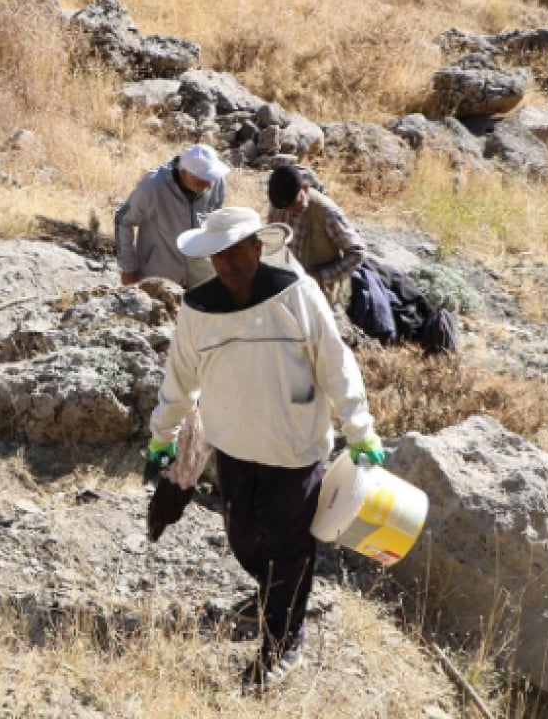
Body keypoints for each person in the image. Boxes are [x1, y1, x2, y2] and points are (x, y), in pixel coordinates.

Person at [142, 206, 386, 690]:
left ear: (258, 246)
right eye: (219, 255)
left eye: (237, 250)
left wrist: (361, 430)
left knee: (288, 550)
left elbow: (336, 364)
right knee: (244, 539)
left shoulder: (299, 295)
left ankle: (281, 643)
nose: (229, 262)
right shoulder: (198, 310)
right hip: (232, 446)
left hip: (295, 448)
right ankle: (274, 595)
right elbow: (180, 380)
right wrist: (162, 434)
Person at [115, 144, 229, 289]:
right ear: (184, 173)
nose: (209, 186)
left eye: (212, 178)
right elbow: (123, 220)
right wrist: (128, 268)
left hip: (201, 279)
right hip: (159, 280)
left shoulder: (216, 181)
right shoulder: (153, 186)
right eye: (202, 180)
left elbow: (215, 223)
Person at [266, 166, 367, 310]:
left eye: (294, 204)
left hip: (323, 294)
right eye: (286, 208)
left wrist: (320, 276)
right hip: (289, 288)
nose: (290, 211)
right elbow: (273, 241)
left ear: (305, 189)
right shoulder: (280, 204)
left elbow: (357, 253)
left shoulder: (326, 213)